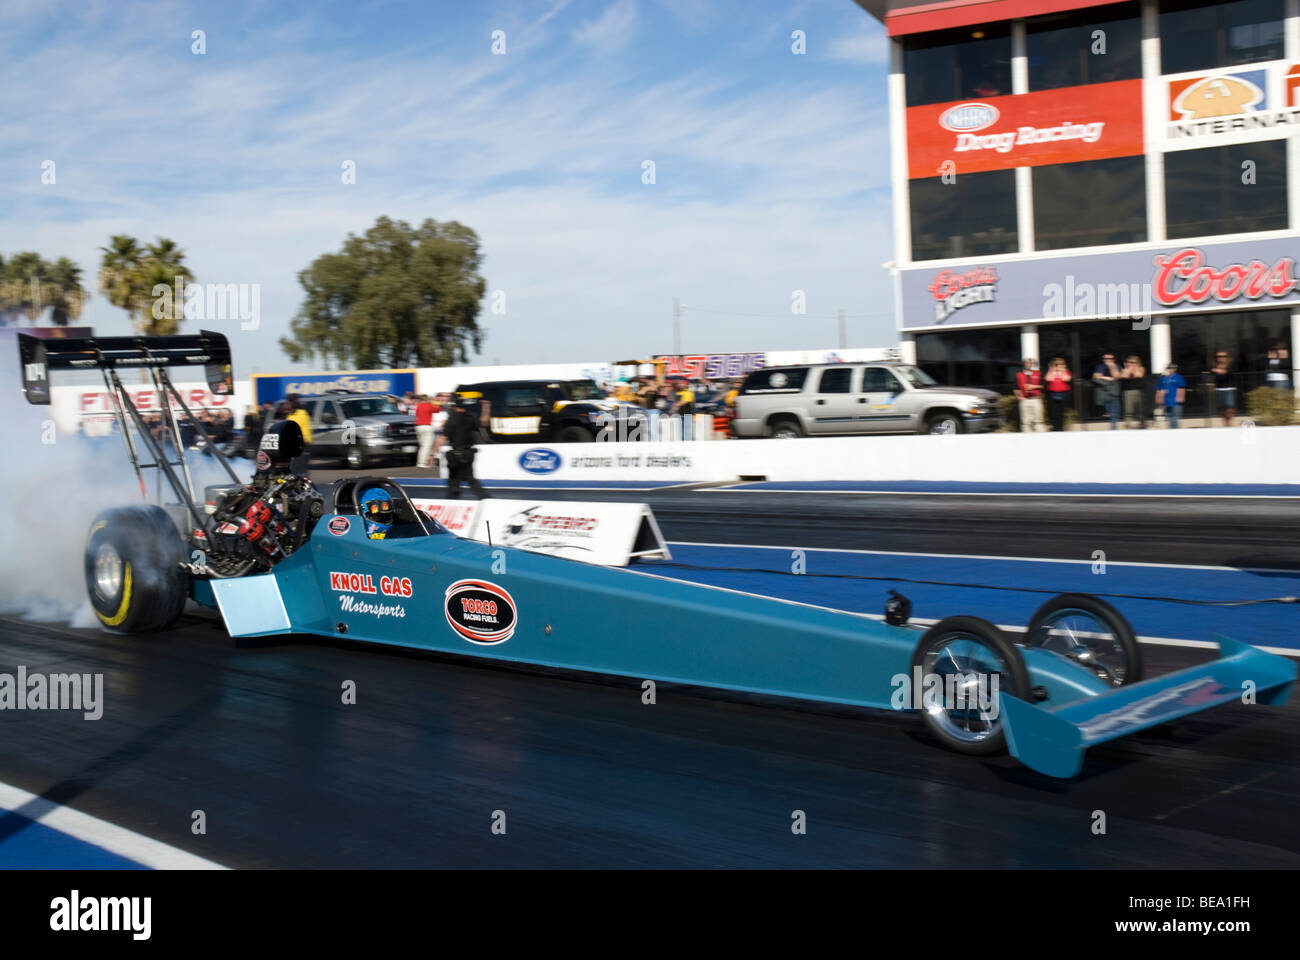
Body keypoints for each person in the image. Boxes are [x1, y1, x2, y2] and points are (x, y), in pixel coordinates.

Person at [433, 395, 489, 499]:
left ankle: (453, 497)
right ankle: (484, 497)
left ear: (454, 406)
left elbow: (442, 438)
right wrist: (486, 407)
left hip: (456, 454)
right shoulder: (470, 417)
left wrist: (433, 453)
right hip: (468, 453)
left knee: (454, 478)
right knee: (470, 478)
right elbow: (484, 422)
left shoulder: (452, 419)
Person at [1015, 358, 1046, 433]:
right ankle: (1027, 440)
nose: (1029, 365)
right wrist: (1019, 397)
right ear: (1024, 364)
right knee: (1025, 422)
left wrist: (1033, 386)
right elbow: (1015, 388)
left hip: (1036, 399)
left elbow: (1043, 386)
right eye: (1027, 363)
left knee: (1038, 420)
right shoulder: (1019, 374)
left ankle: (1040, 438)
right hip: (1025, 400)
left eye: (1030, 363)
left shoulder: (1038, 374)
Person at [285, 393, 313, 474]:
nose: (286, 405)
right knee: (295, 471)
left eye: (287, 403)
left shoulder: (300, 414)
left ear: (292, 403)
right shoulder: (291, 415)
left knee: (299, 472)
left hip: (302, 446)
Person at [1092, 353, 1121, 429]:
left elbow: (1116, 376)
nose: (1108, 360)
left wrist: (1111, 367)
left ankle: (1114, 429)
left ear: (1113, 359)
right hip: (1104, 393)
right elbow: (1096, 376)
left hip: (1114, 392)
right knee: (1109, 412)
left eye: (1110, 359)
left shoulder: (1117, 366)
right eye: (1106, 359)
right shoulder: (1100, 366)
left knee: (1114, 412)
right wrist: (1107, 378)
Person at [1118, 355, 1146, 429]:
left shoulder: (1141, 368)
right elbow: (1125, 376)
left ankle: (1141, 424)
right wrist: (1129, 369)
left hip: (1138, 391)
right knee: (1128, 410)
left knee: (1139, 409)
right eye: (1130, 362)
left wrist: (1134, 369)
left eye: (1134, 362)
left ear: (1138, 363)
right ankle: (1128, 425)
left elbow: (1139, 375)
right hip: (1128, 391)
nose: (1132, 364)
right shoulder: (1124, 370)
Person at [1155, 362, 1186, 428]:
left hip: (1176, 402)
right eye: (1168, 368)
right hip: (1167, 401)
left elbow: (1182, 387)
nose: (1170, 370)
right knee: (1169, 418)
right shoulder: (1163, 379)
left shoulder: (1178, 377)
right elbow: (1159, 388)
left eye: (1172, 368)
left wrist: (1180, 397)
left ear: (1175, 369)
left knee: (1175, 419)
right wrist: (1158, 398)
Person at [1045, 357, 1072, 432]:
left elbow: (1066, 379)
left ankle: (1060, 428)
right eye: (1055, 364)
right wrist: (1051, 369)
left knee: (1061, 412)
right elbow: (1048, 379)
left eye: (1059, 364)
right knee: (1053, 412)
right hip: (1052, 393)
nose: (1057, 366)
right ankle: (1055, 427)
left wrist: (1062, 370)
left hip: (1063, 393)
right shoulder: (1051, 371)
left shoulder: (1066, 371)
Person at [1210, 351, 1235, 426]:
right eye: (1218, 357)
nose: (1220, 358)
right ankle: (1226, 425)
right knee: (1221, 410)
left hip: (1229, 390)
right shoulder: (1215, 366)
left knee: (1229, 409)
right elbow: (1211, 373)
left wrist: (1217, 370)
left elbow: (1227, 372)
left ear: (1226, 358)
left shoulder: (1230, 365)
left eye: (1223, 356)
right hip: (1219, 390)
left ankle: (1229, 424)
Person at [414, 394, 437, 468]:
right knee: (426, 446)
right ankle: (422, 463)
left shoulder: (418, 406)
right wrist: (433, 403)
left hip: (418, 426)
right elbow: (437, 410)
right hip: (426, 426)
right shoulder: (429, 405)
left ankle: (424, 462)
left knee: (422, 446)